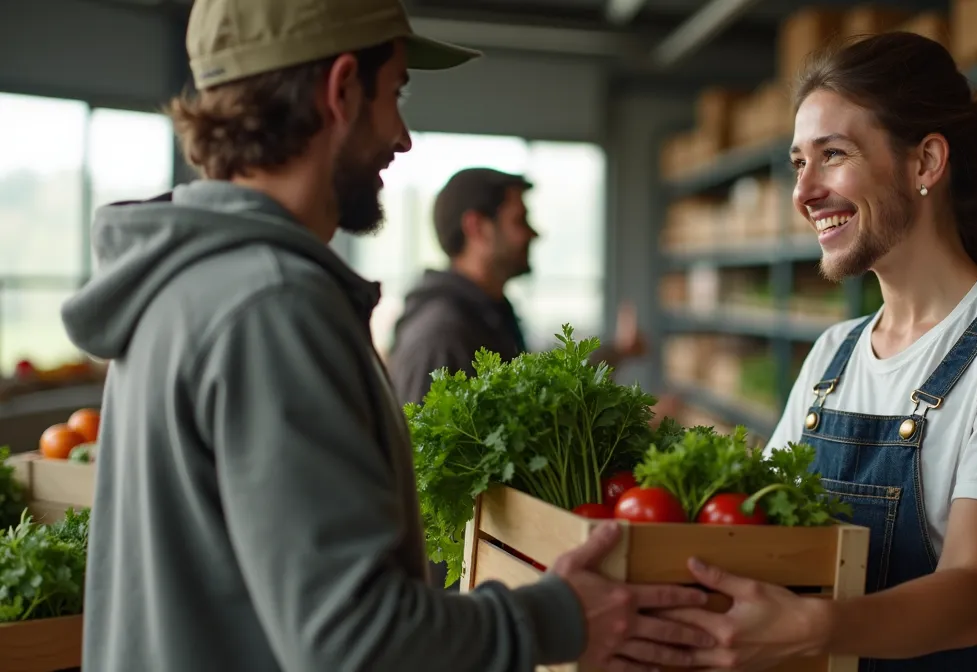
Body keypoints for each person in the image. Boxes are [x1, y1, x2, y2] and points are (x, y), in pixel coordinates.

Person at [58, 1, 711, 670]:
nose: (402, 137)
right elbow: (355, 641)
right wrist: (556, 616)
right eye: (394, 94)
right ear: (342, 89)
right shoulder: (271, 307)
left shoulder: (184, 283)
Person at [660, 31, 977, 670]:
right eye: (797, 163)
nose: (804, 193)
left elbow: (972, 594)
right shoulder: (833, 355)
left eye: (832, 154)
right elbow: (773, 534)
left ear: (925, 163)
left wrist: (811, 626)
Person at [386, 167, 647, 406]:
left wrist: (618, 352)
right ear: (477, 228)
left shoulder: (488, 316)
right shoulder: (440, 337)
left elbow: (540, 389)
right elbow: (418, 452)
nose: (534, 234)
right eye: (519, 220)